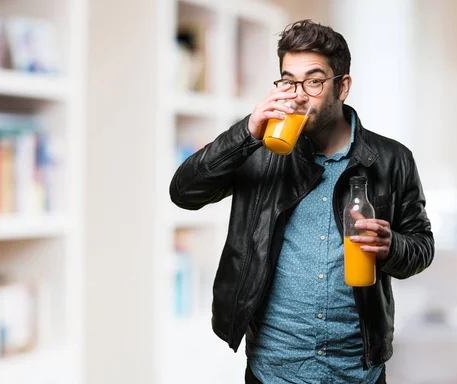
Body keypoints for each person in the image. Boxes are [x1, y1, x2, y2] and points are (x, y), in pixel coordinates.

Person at [170, 19, 434, 384]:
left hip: (358, 372)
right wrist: (246, 132)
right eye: (287, 80)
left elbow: (422, 247)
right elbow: (184, 193)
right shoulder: (257, 149)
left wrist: (392, 246)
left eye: (313, 81)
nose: (297, 94)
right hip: (274, 371)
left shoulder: (392, 159)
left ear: (342, 86)